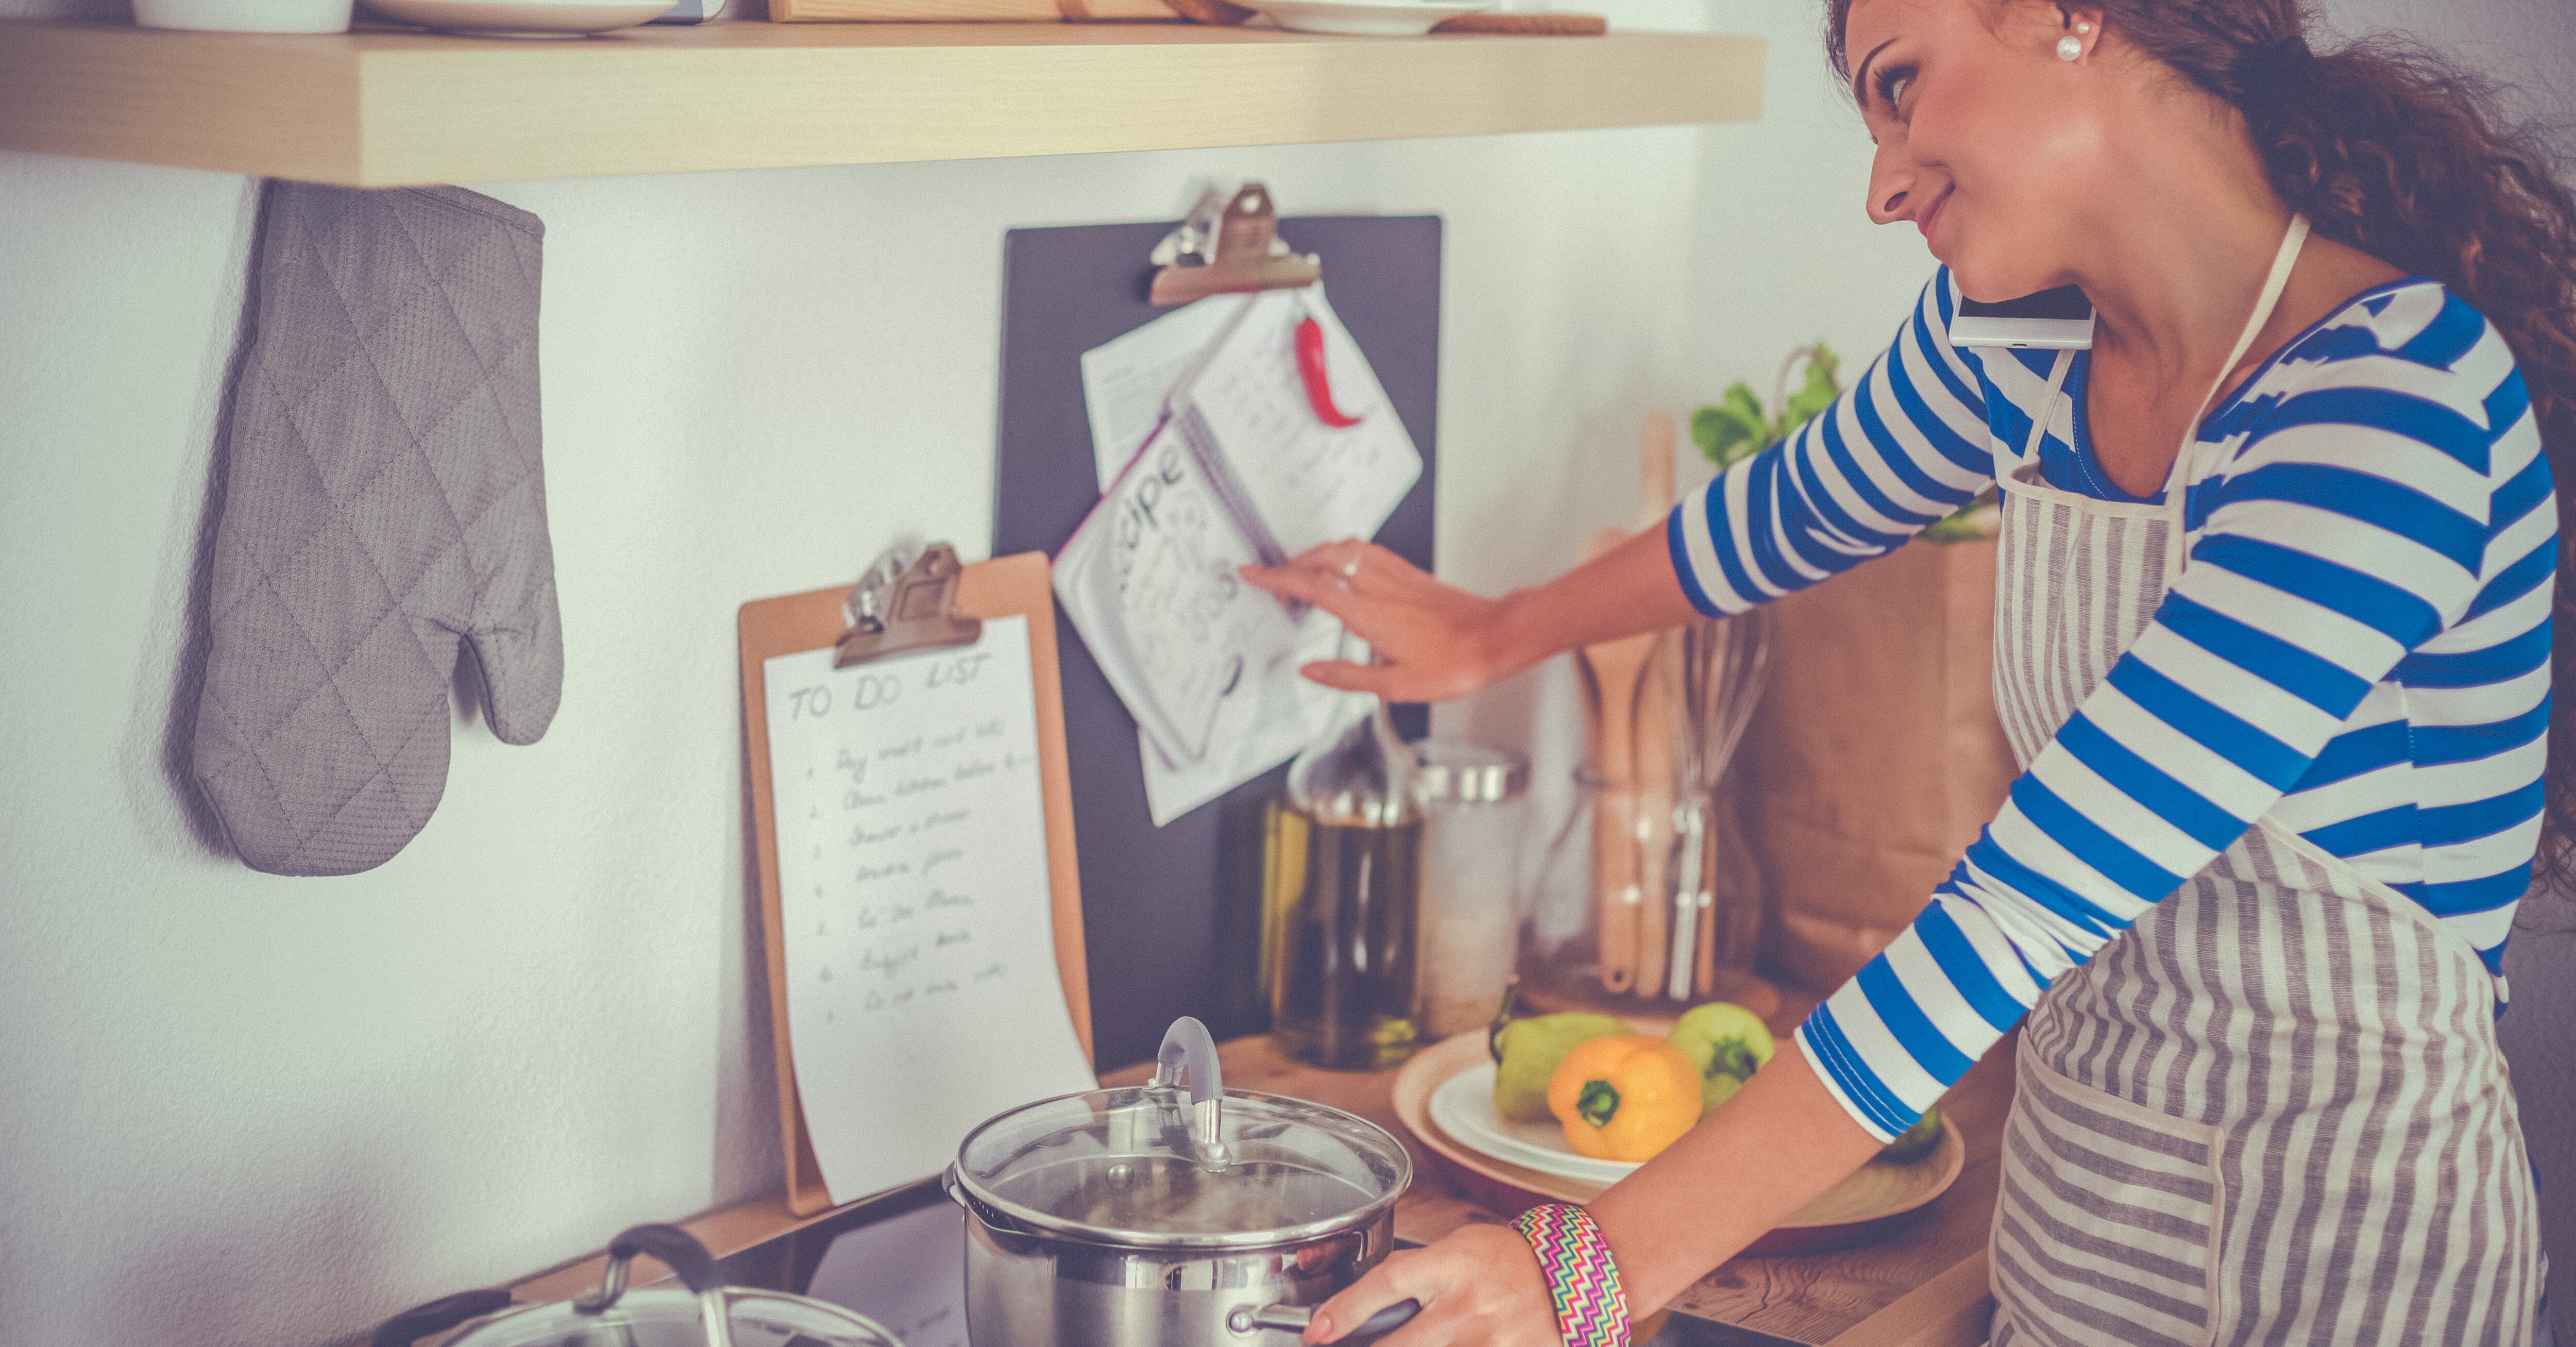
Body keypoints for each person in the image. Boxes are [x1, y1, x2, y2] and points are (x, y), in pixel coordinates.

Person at [1243, 0, 2576, 1342]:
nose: (1881, 187)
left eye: (1900, 85)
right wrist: (1499, 629)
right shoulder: (2026, 343)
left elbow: (2030, 904)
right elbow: (1781, 516)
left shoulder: (2394, 409)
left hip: (2350, 1254)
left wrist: (1581, 1276)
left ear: (2071, 16)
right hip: (2083, 1220)